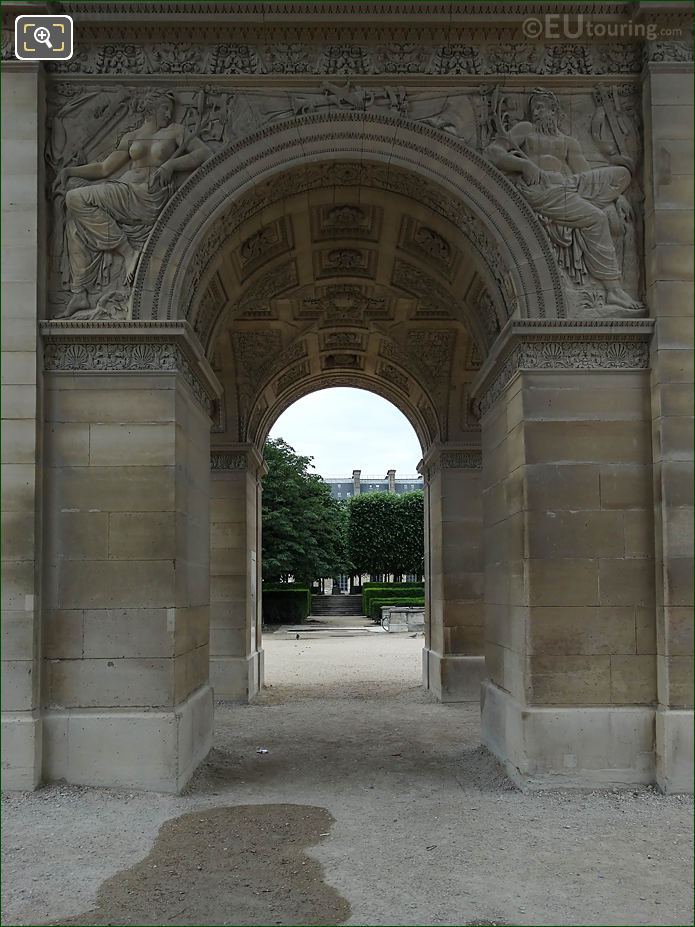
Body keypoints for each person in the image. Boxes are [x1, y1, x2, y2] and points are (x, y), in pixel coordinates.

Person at [57, 91, 211, 316]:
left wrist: (171, 165)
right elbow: (104, 168)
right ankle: (80, 293)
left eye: (170, 109)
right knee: (75, 225)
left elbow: (204, 153)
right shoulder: (132, 136)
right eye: (164, 108)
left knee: (75, 198)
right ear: (151, 110)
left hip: (146, 196)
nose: (169, 113)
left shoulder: (175, 131)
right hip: (123, 190)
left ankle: (128, 252)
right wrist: (70, 170)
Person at [486, 89, 641, 311]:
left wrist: (617, 198)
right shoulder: (526, 130)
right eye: (534, 108)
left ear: (554, 110)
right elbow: (493, 152)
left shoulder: (568, 142)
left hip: (567, 185)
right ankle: (614, 291)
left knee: (621, 174)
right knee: (597, 218)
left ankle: (602, 199)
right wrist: (524, 164)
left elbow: (586, 174)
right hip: (540, 189)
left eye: (541, 107)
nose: (537, 112)